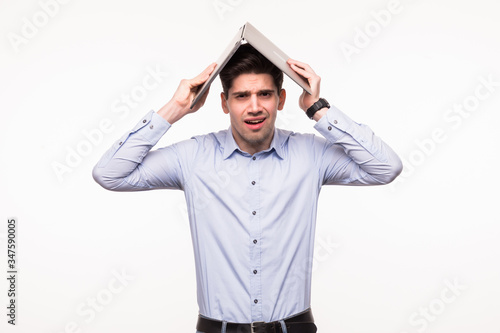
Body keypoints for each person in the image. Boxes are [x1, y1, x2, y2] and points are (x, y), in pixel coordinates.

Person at [92, 44, 403, 333]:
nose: (255, 107)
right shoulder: (193, 157)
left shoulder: (311, 154)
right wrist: (176, 107)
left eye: (264, 94)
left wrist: (318, 108)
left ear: (281, 99)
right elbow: (110, 173)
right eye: (241, 96)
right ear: (225, 103)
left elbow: (386, 167)